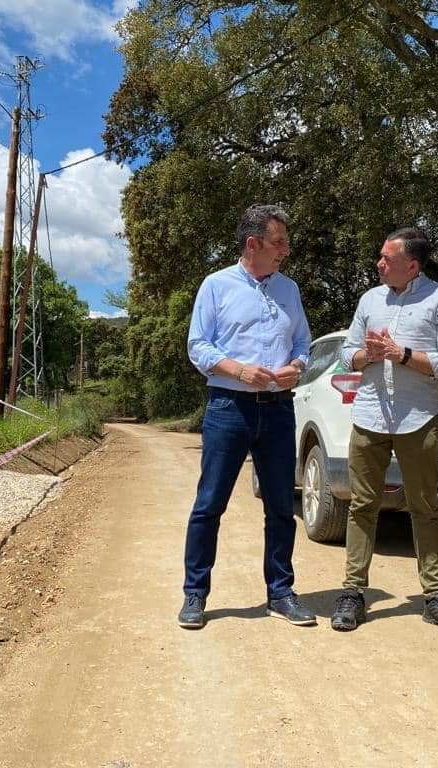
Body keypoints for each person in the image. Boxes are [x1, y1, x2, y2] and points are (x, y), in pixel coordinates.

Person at [178, 203, 315, 629]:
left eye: (286, 243)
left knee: (279, 507)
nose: (285, 251)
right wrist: (239, 370)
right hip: (228, 408)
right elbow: (197, 346)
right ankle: (195, 594)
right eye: (279, 243)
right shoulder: (216, 286)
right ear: (252, 243)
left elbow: (304, 344)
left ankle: (281, 592)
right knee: (209, 505)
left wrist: (298, 367)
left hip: (278, 411)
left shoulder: (289, 289)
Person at [330, 228, 438, 634]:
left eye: (386, 259)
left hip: (418, 418)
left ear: (412, 264)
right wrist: (364, 355)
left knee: (424, 508)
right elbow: (344, 355)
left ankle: (435, 597)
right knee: (361, 506)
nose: (379, 263)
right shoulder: (369, 300)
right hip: (370, 416)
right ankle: (353, 593)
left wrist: (402, 355)